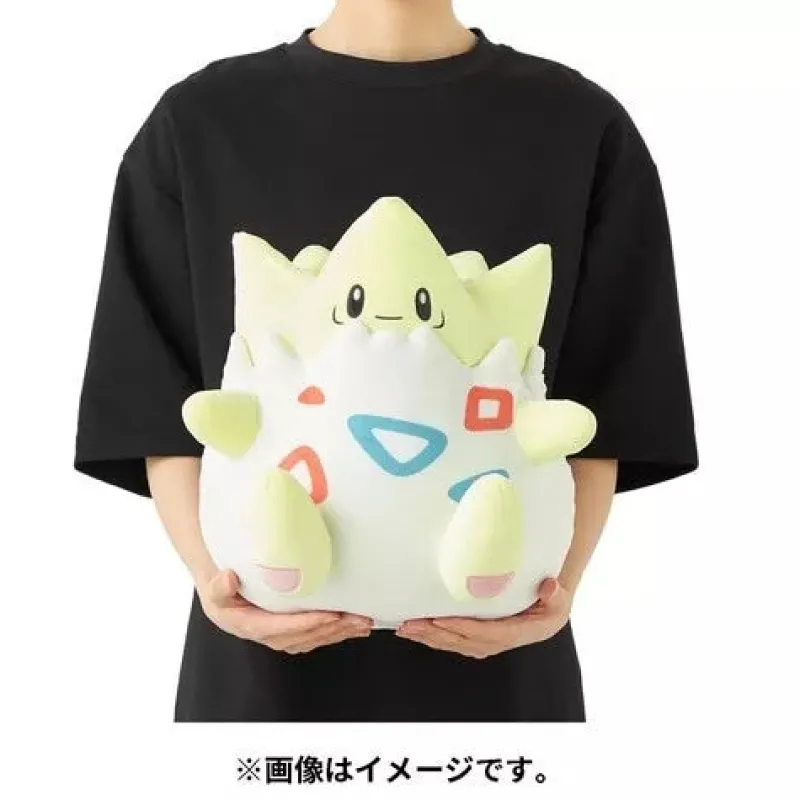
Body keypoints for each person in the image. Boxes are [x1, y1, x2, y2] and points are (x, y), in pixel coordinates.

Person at [74, 0, 698, 722]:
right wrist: (217, 586)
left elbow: (606, 400)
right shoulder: (201, 121)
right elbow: (157, 392)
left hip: (501, 670)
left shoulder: (578, 125)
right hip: (261, 676)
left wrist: (556, 595)